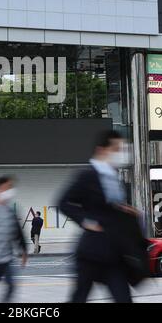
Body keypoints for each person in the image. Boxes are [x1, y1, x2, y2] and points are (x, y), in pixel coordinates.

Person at [58, 130, 137, 303]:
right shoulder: (87, 175)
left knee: (124, 299)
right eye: (116, 149)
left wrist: (124, 210)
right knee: (79, 298)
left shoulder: (114, 176)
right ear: (102, 150)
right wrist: (86, 221)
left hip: (113, 254)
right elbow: (63, 202)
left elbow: (108, 208)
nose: (120, 153)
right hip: (91, 254)